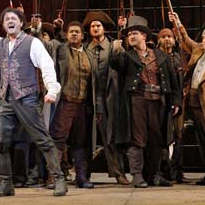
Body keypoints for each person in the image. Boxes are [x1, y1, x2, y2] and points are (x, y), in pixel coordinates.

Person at [0, 6, 67, 197]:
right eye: (7, 18)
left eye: (14, 18)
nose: (10, 21)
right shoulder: (0, 44)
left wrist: (52, 89)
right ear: (3, 24)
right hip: (6, 99)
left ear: (21, 23)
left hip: (27, 98)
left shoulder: (32, 43)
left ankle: (58, 179)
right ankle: (7, 182)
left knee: (42, 139)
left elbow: (47, 65)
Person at [110, 15, 181, 188]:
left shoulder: (161, 56)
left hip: (158, 101)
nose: (131, 37)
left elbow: (173, 81)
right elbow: (115, 64)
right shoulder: (127, 56)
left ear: (144, 36)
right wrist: (116, 50)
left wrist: (176, 101)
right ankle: (137, 175)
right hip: (137, 100)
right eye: (129, 35)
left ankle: (154, 175)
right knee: (137, 139)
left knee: (156, 139)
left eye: (135, 33)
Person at [170, 12, 205, 186]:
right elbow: (186, 41)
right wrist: (177, 22)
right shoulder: (199, 51)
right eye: (204, 37)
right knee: (203, 141)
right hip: (195, 103)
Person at [82, 11, 129, 185]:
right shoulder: (85, 48)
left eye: (98, 26)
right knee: (86, 138)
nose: (95, 28)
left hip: (111, 98)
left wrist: (118, 50)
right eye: (93, 26)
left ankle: (118, 172)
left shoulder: (113, 46)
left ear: (103, 29)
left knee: (112, 138)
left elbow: (124, 66)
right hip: (89, 99)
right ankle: (83, 174)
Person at [49, 21, 96, 188]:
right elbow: (54, 43)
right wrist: (57, 30)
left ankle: (81, 177)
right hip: (66, 102)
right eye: (71, 32)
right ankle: (55, 177)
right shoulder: (62, 50)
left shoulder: (89, 54)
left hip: (82, 105)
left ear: (83, 36)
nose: (74, 34)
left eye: (77, 32)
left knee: (80, 142)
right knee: (58, 139)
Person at [156, 27, 188, 183]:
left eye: (169, 36)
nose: (167, 39)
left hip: (177, 102)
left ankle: (177, 172)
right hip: (161, 102)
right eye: (163, 37)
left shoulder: (178, 57)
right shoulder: (155, 57)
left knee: (178, 135)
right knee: (163, 136)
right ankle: (164, 170)